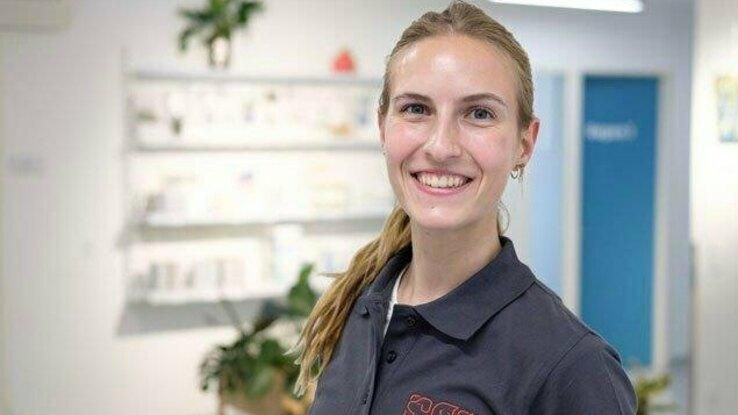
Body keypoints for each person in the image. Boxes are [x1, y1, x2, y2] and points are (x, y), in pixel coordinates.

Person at [289, 1, 637, 414]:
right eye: (416, 109)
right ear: (382, 126)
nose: (441, 146)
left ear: (525, 143)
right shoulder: (360, 307)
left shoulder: (571, 368)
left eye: (479, 113)